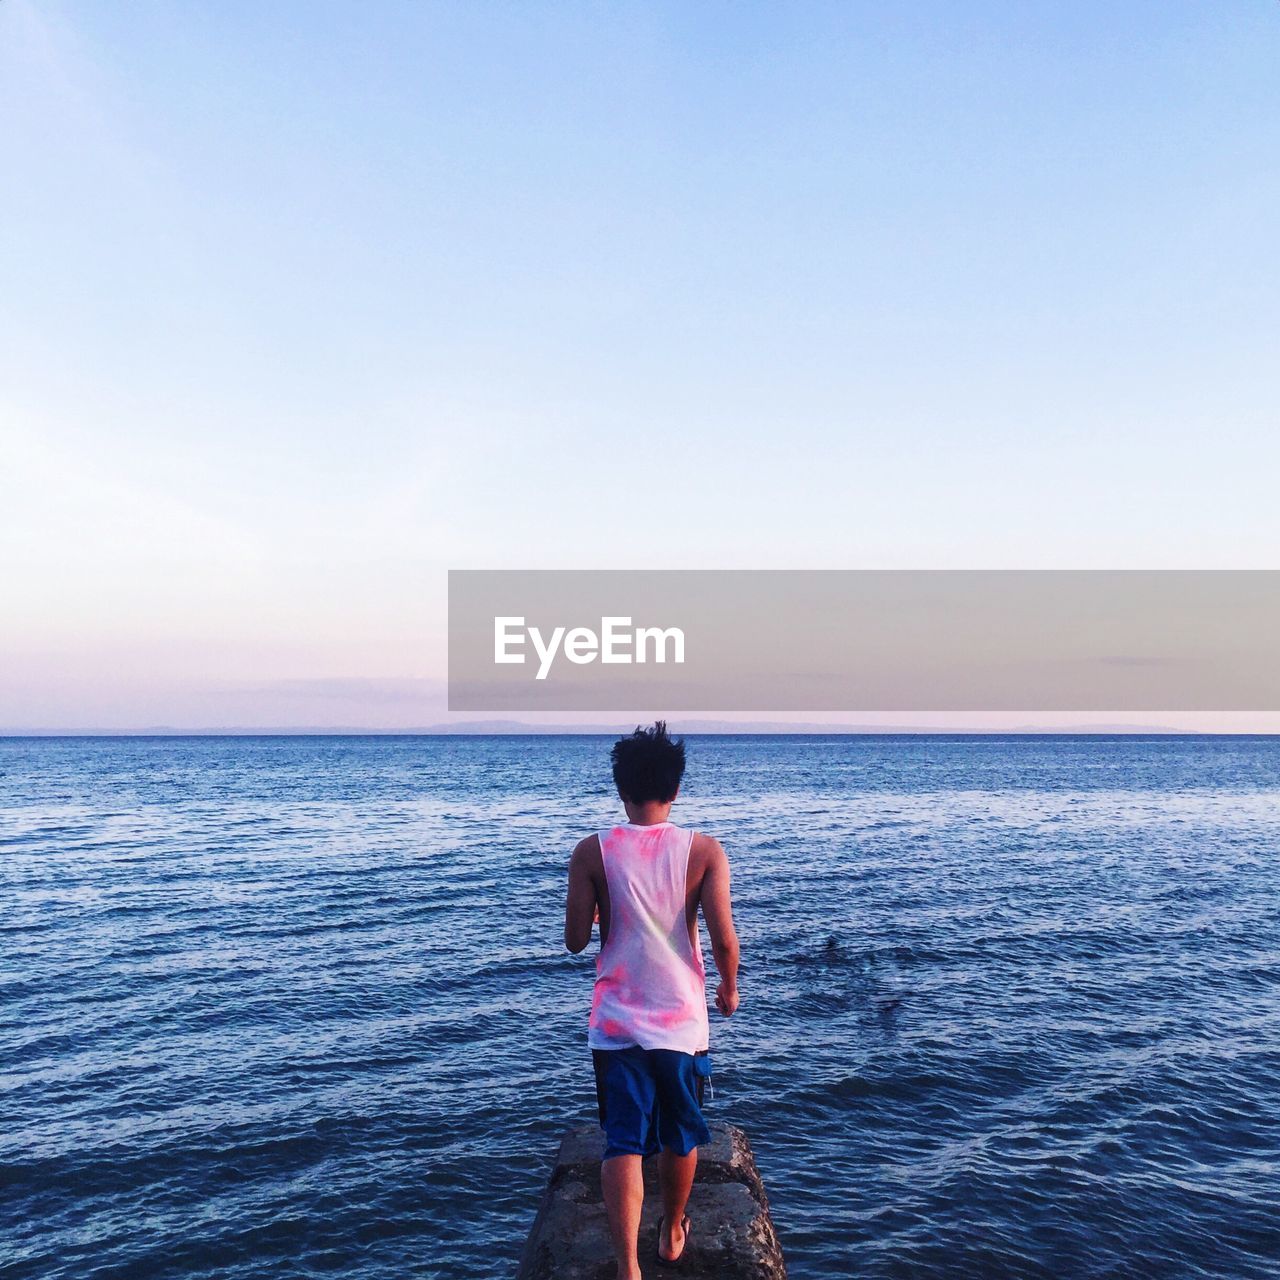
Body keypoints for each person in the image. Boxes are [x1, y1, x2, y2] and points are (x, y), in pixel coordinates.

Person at [564, 722, 740, 1278]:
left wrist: (597, 912)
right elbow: (722, 937)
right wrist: (729, 988)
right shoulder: (704, 851)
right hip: (681, 1021)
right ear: (677, 788)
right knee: (680, 1131)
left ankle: (627, 1267)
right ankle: (671, 1228)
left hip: (616, 1023)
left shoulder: (592, 851)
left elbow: (574, 941)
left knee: (623, 1138)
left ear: (621, 790)